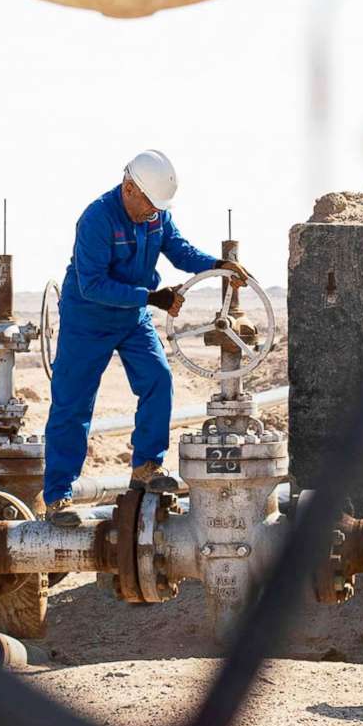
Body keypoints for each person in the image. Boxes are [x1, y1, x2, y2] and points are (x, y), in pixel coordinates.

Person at [41, 150, 254, 515]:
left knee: (158, 379)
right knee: (72, 405)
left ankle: (146, 467)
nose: (154, 212)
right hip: (87, 319)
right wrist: (151, 297)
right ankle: (58, 496)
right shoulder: (96, 219)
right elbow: (92, 285)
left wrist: (217, 265)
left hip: (132, 316)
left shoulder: (157, 216)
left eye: (159, 207)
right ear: (129, 188)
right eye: (150, 204)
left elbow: (180, 251)